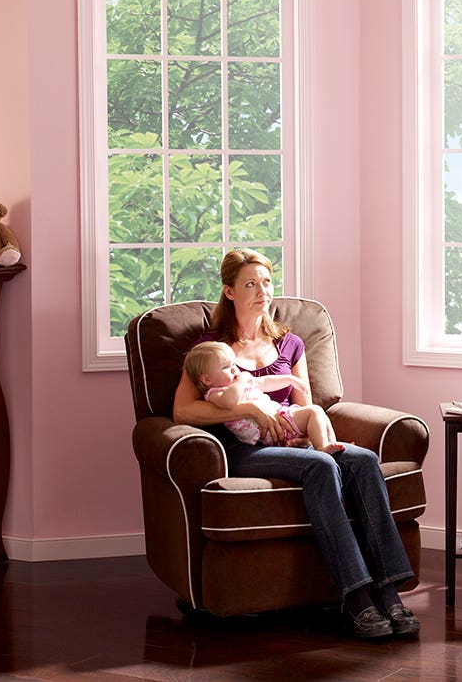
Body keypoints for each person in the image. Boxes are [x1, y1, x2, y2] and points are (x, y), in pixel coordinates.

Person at [172, 249, 419, 639]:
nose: (262, 291)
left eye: (266, 282)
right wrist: (251, 410)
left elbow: (306, 402)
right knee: (320, 465)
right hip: (245, 449)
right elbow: (183, 412)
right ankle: (355, 598)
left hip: (294, 436)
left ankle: (388, 592)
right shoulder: (211, 349)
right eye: (250, 284)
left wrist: (306, 431)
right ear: (230, 291)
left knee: (363, 460)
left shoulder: (289, 343)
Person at [184, 340, 345, 454]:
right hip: (267, 431)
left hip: (279, 419)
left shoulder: (239, 381)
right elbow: (229, 401)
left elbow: (266, 382)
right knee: (314, 412)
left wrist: (289, 379)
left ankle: (332, 444)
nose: (234, 369)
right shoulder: (215, 394)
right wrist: (243, 379)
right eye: (226, 367)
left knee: (319, 415)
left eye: (233, 364)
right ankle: (323, 447)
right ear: (207, 379)